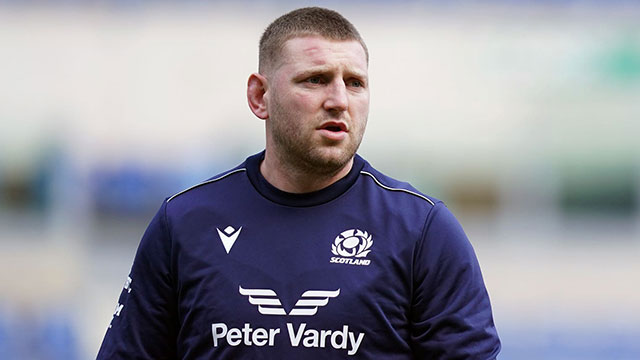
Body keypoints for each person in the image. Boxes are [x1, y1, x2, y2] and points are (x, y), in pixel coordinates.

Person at [97, 7, 501, 359]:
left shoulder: (422, 230)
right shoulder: (184, 221)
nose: (339, 100)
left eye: (355, 82)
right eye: (316, 79)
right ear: (260, 97)